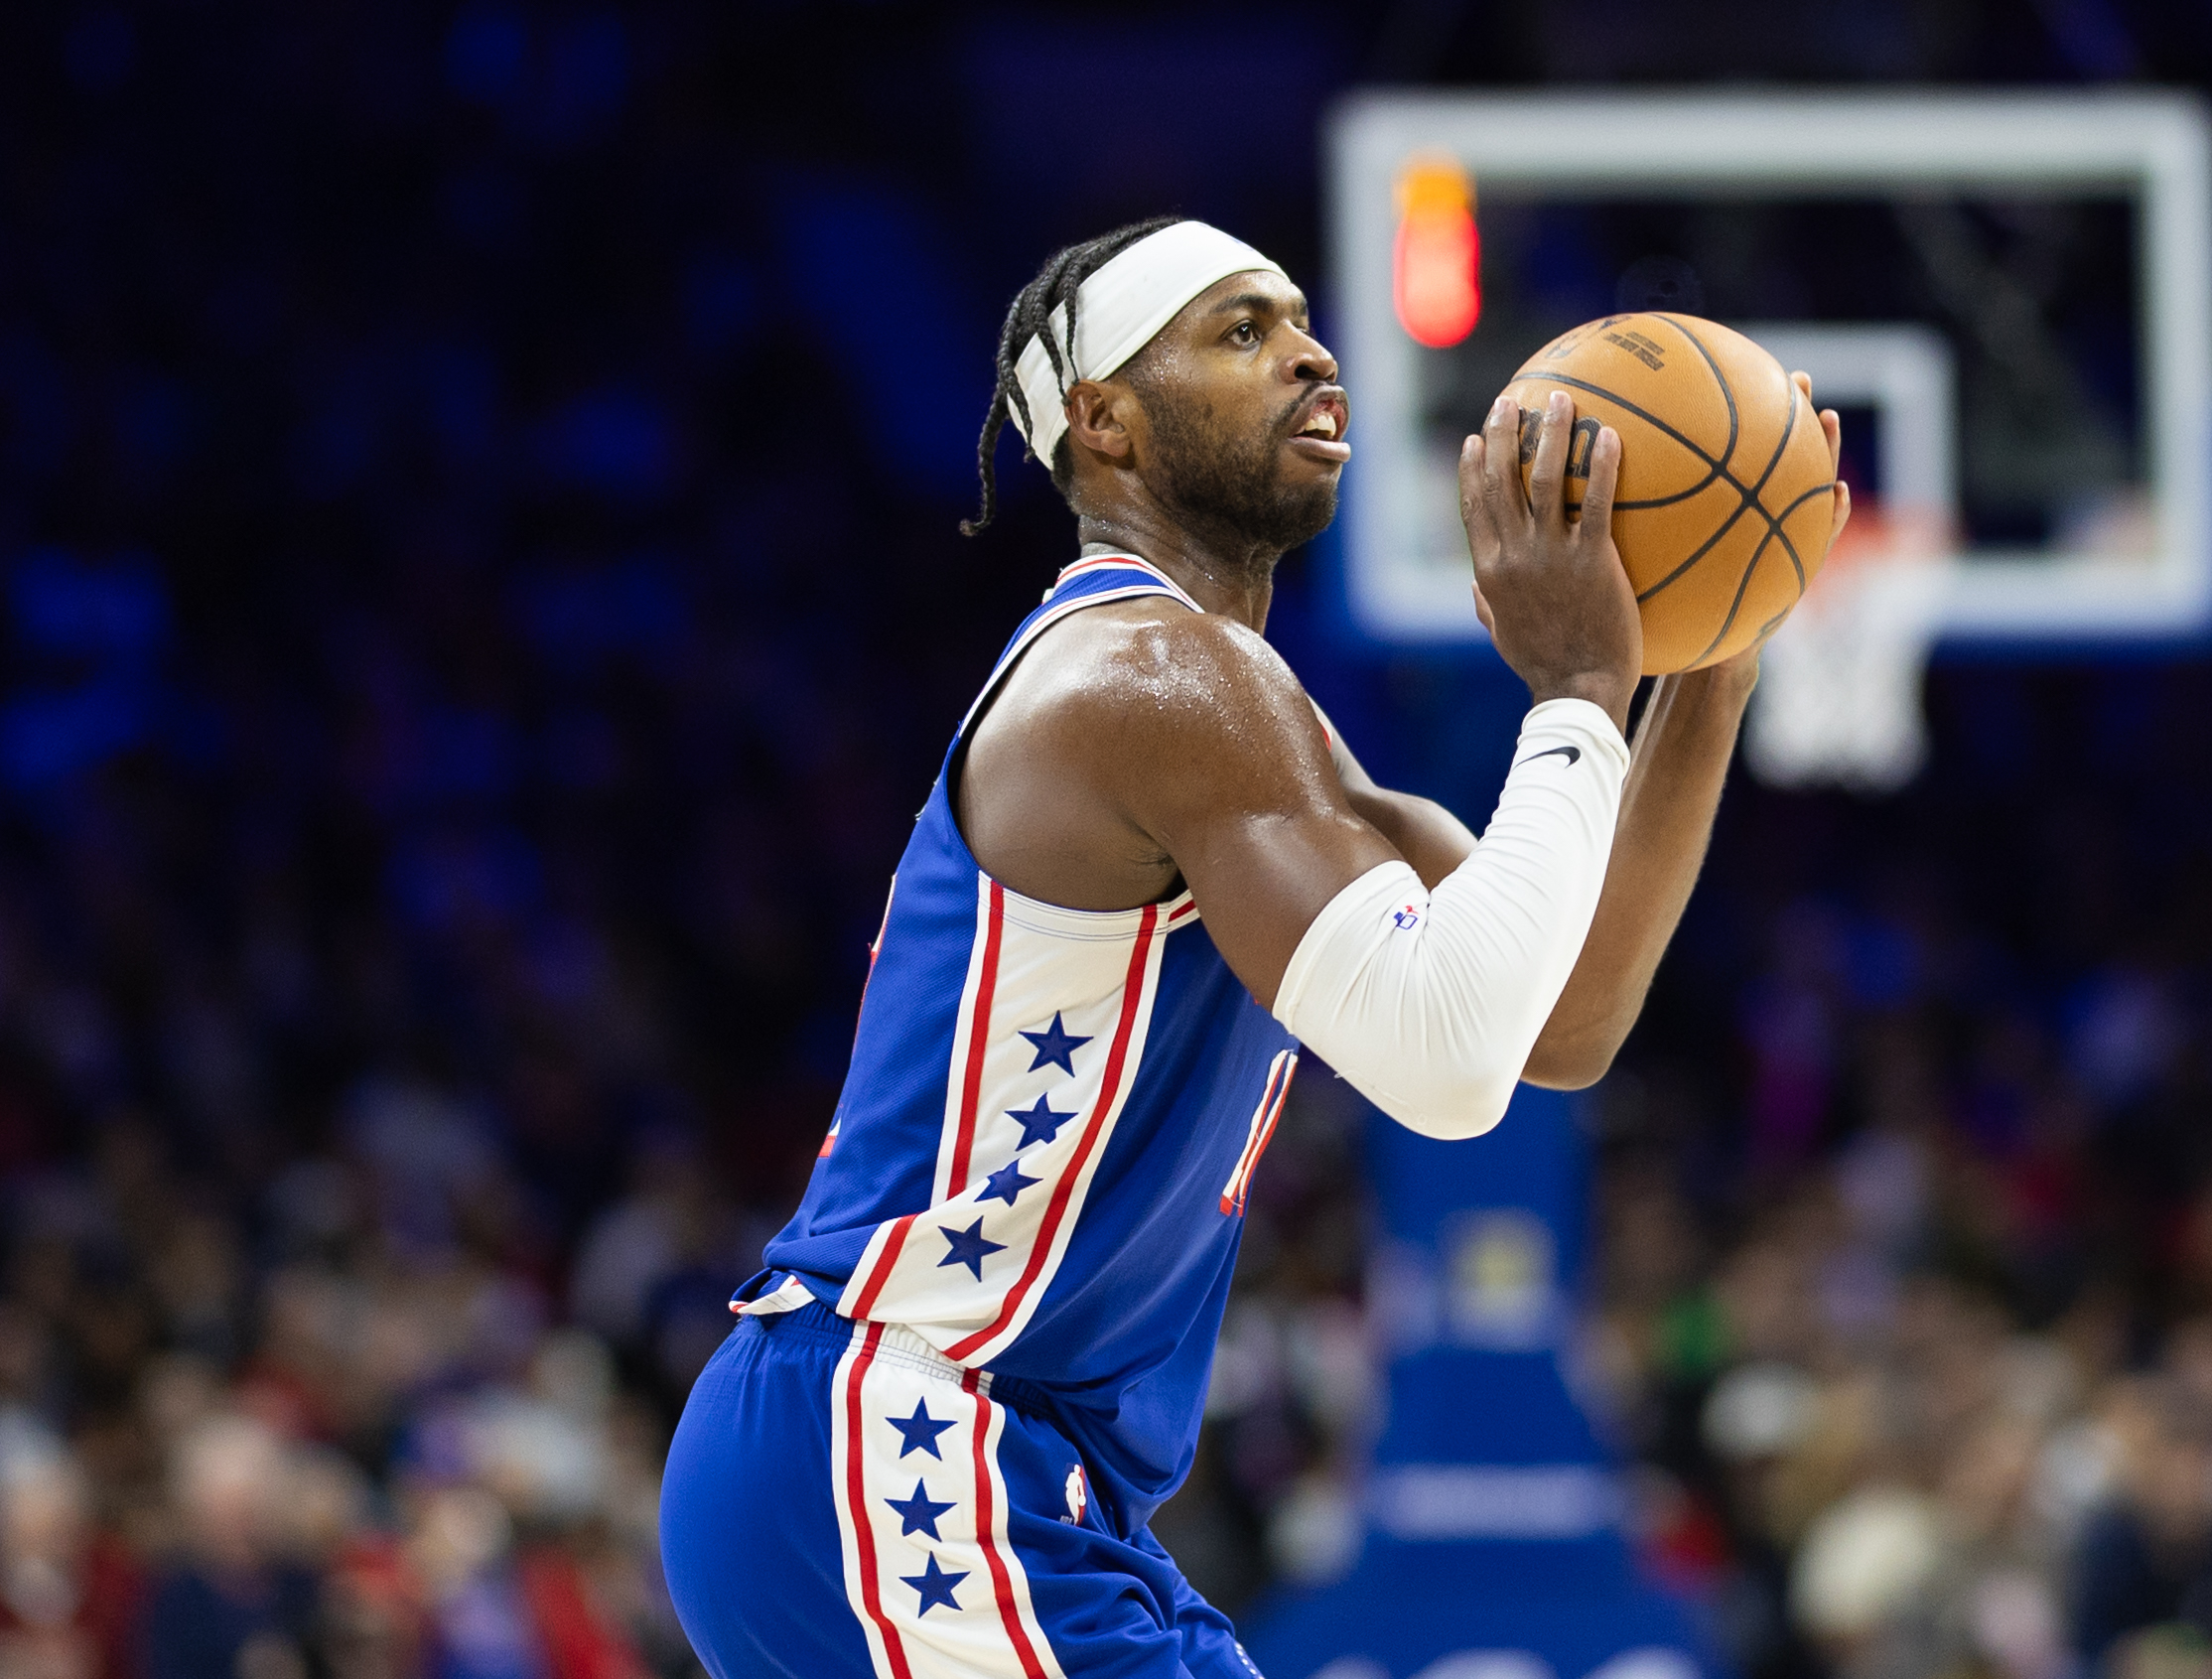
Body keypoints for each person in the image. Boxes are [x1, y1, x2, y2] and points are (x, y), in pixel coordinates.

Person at [657, 216, 1849, 1679]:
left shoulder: (1257, 727)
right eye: (1239, 331)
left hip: (1019, 1475)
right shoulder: (1149, 680)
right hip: (902, 1438)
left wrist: (1711, 655)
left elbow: (1563, 1019)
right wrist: (1583, 686)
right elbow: (1452, 1064)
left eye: (1301, 320)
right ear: (1105, 423)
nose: (1313, 353)